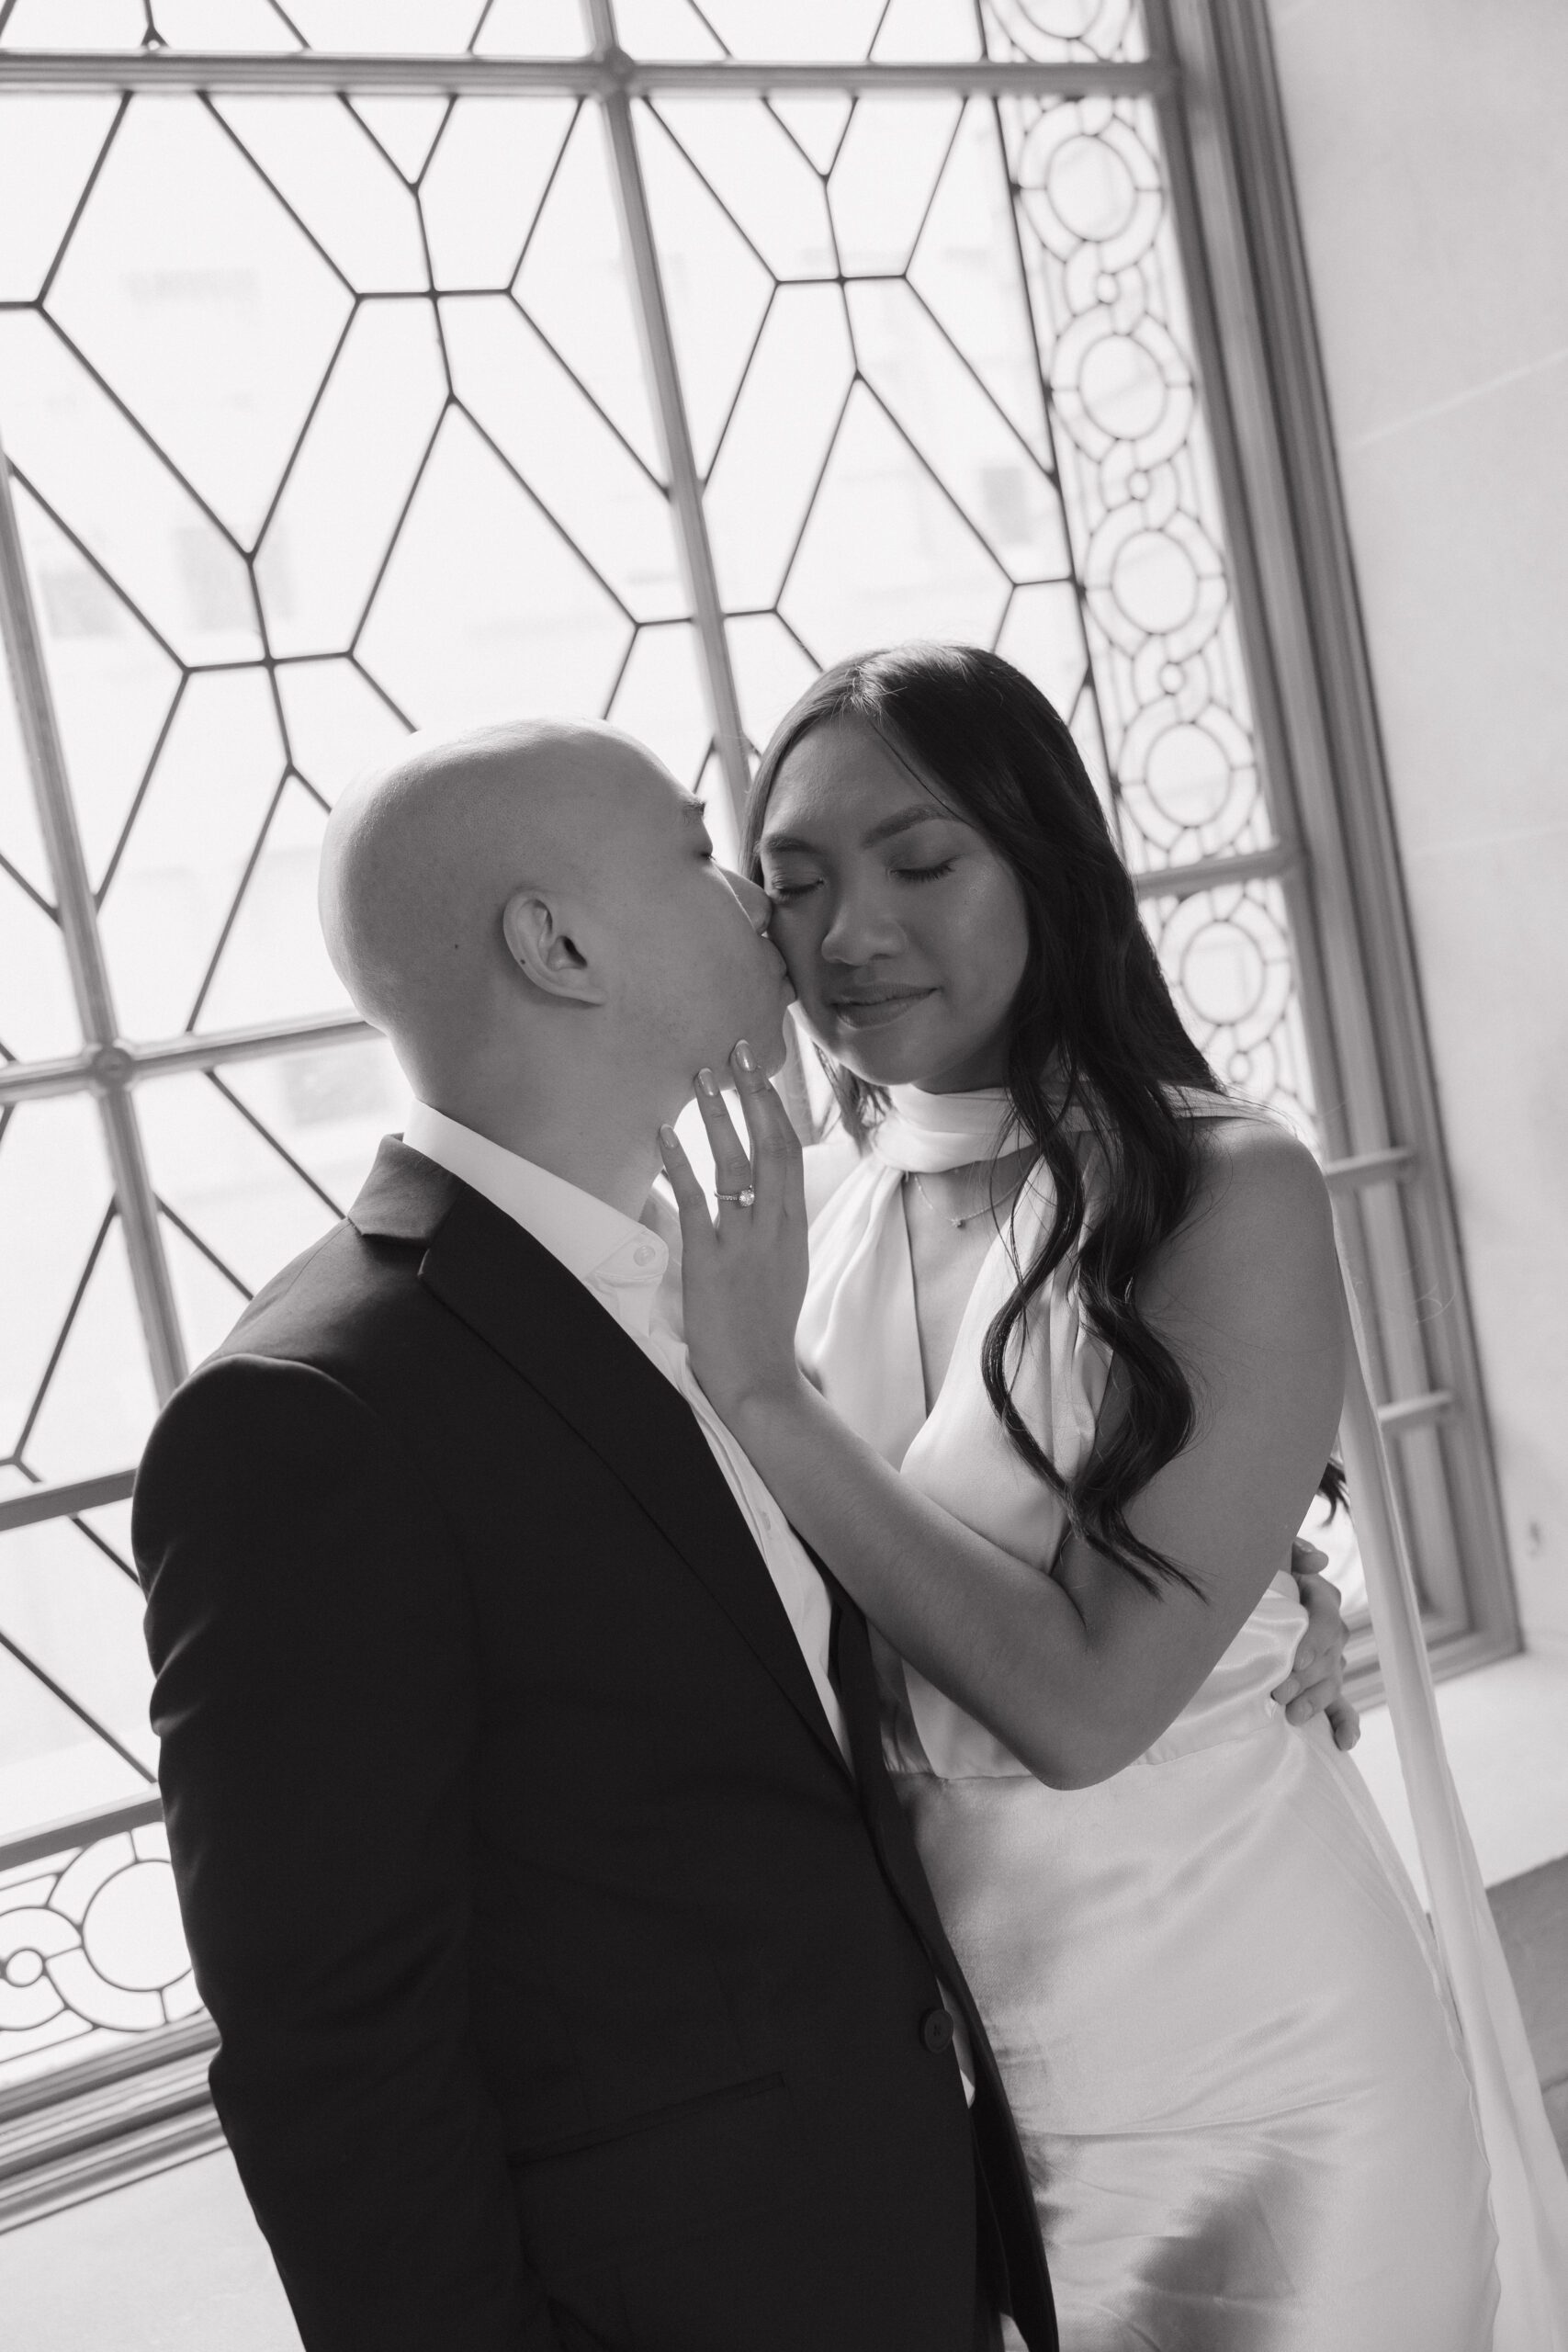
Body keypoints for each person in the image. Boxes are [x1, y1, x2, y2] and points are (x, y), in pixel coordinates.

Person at [132, 720, 1055, 2352]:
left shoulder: (731, 1278)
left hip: (912, 2247)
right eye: (700, 854)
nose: (763, 912)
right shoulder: (308, 1418)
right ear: (556, 946)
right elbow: (336, 2059)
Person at [658, 643, 1501, 2351]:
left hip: (1267, 2071)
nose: (848, 934)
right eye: (795, 885)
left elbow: (1088, 1707)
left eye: (921, 861)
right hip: (968, 2101)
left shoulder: (1221, 1184)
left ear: (1047, 861)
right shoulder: (791, 1230)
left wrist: (760, 1396)